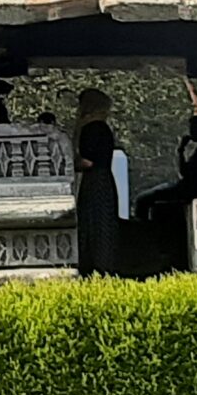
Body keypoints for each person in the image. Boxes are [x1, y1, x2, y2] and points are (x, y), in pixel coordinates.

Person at [73, 88, 122, 274]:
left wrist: (72, 162)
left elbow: (88, 161)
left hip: (94, 180)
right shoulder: (103, 127)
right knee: (103, 223)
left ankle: (95, 265)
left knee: (94, 223)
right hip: (104, 179)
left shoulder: (91, 128)